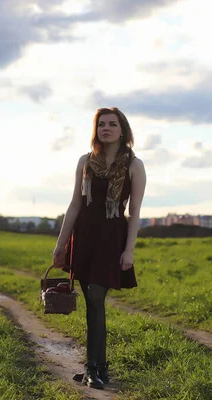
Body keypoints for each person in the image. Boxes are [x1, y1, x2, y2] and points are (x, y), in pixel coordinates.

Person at [52, 107, 147, 389]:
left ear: (123, 130)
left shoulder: (134, 164)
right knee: (92, 303)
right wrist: (60, 245)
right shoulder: (85, 161)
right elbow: (74, 205)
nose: (105, 128)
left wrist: (129, 250)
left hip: (111, 238)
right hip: (84, 237)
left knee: (95, 298)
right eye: (101, 124)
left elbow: (135, 212)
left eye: (112, 124)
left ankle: (94, 367)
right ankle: (97, 367)